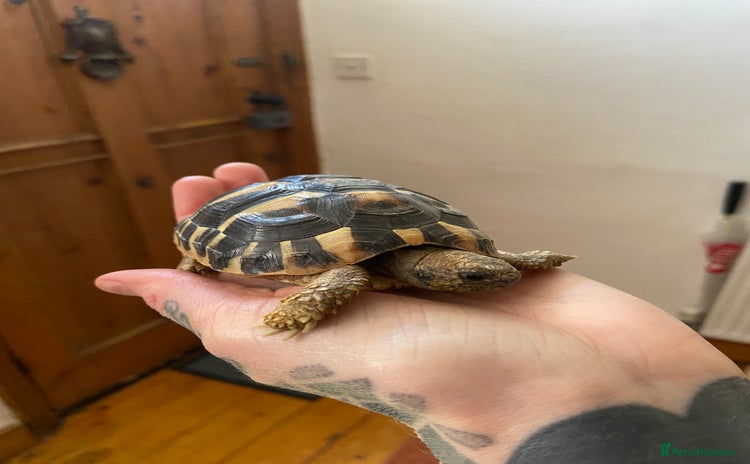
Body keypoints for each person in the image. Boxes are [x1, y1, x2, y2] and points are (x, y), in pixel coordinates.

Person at [96, 162, 749, 464]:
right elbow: (350, 271)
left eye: (481, 267)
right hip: (298, 229)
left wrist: (511, 263)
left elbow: (484, 261)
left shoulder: (452, 257)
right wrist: (303, 305)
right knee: (346, 274)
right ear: (437, 269)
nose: (493, 275)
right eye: (475, 273)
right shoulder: (349, 271)